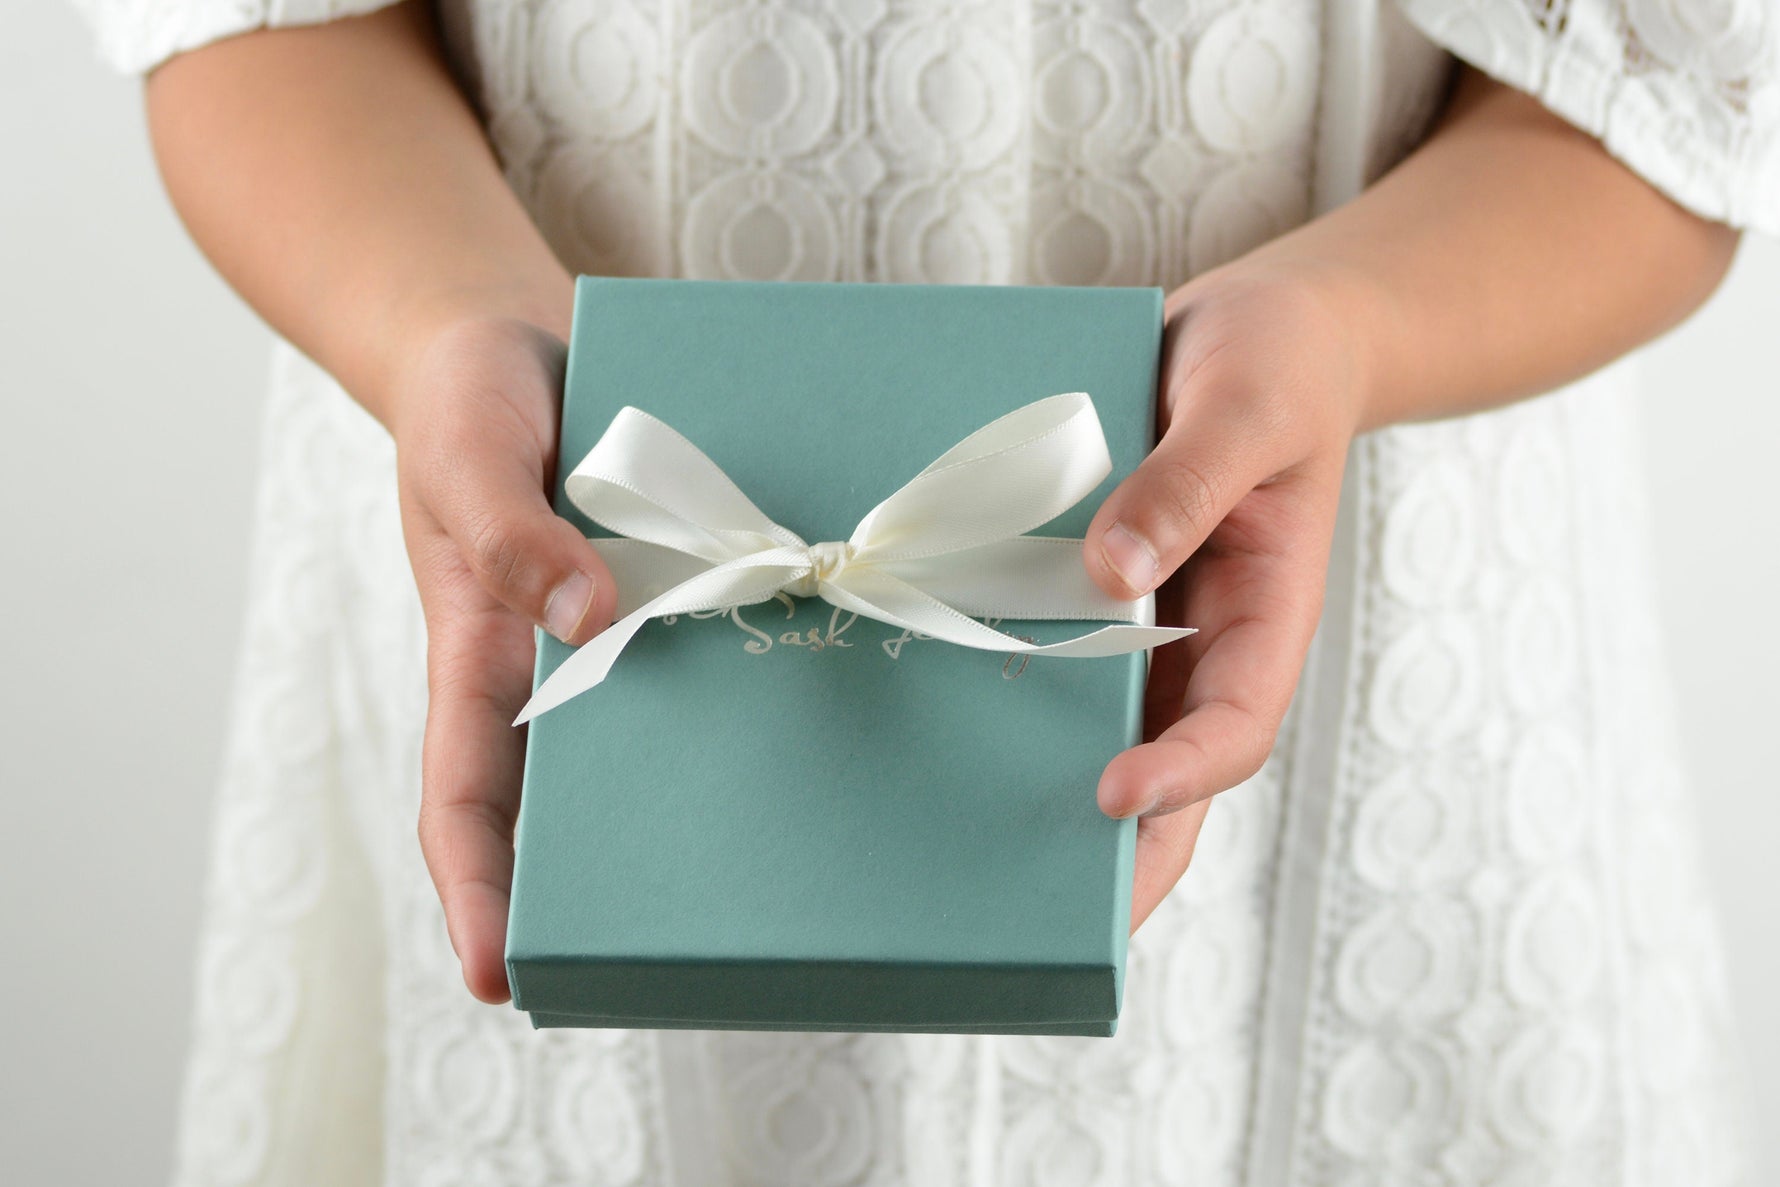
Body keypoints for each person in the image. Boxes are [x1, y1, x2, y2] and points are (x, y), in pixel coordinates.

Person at [69, 0, 1770, 1181]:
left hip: (1309, 606)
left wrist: (1353, 327)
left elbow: (1669, 96)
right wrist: (440, 325)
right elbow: (253, 22)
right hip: (562, 579)